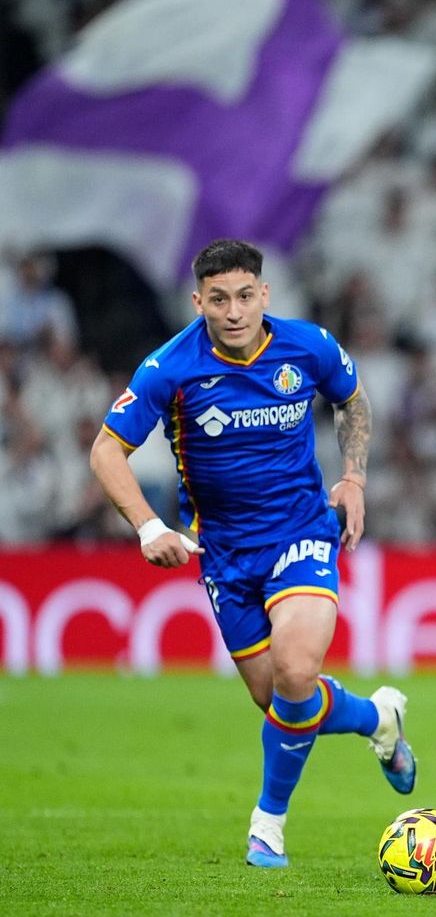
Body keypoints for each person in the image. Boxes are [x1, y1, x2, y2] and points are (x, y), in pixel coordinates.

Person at [88, 238, 416, 869]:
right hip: (225, 556)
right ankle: (378, 718)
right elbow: (106, 450)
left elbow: (353, 399)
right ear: (198, 302)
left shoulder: (308, 345)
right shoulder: (169, 369)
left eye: (245, 296)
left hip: (302, 534)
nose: (234, 311)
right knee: (280, 700)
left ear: (264, 294)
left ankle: (268, 824)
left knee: (297, 671)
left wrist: (353, 477)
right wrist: (149, 526)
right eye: (219, 300)